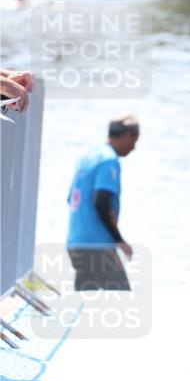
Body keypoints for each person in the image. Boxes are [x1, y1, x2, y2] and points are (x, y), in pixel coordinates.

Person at [66, 114, 139, 290]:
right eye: (134, 140)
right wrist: (119, 240)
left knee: (86, 301)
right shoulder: (109, 161)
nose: (134, 147)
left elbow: (71, 199)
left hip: (76, 242)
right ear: (127, 135)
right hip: (97, 246)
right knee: (122, 300)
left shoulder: (88, 156)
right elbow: (101, 201)